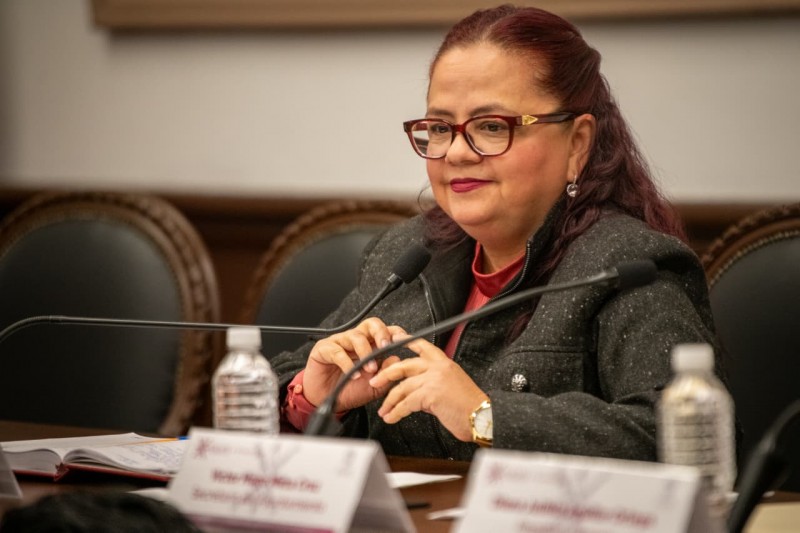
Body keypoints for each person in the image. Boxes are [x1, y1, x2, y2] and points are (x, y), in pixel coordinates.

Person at [272, 4, 720, 462]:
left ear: (577, 144)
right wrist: (314, 397)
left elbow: (682, 434)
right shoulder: (408, 254)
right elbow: (284, 379)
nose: (457, 153)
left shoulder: (628, 265)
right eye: (440, 128)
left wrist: (484, 416)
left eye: (491, 126)